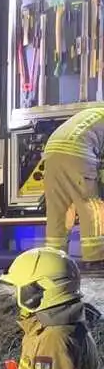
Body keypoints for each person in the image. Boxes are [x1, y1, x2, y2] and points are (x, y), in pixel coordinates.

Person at [41, 106, 104, 271]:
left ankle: (54, 258)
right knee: (91, 206)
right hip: (78, 152)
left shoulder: (95, 113)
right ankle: (96, 257)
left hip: (51, 152)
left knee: (59, 209)